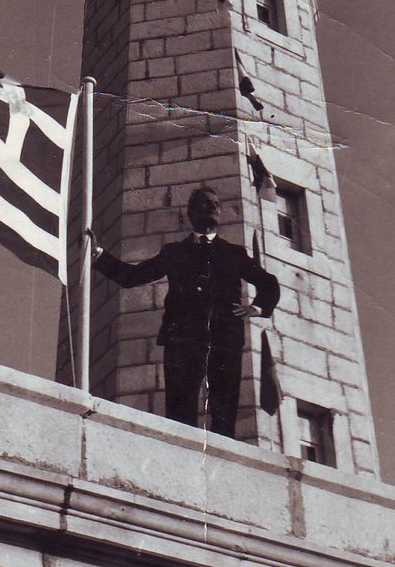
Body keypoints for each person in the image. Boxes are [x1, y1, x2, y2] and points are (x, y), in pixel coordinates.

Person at [89, 186, 280, 439]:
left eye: (215, 203)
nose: (211, 207)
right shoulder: (174, 252)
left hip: (224, 341)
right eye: (204, 203)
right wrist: (99, 255)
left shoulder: (233, 254)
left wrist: (255, 308)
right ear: (190, 213)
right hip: (182, 340)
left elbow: (269, 283)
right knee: (180, 410)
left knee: (224, 410)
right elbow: (132, 276)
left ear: (220, 212)